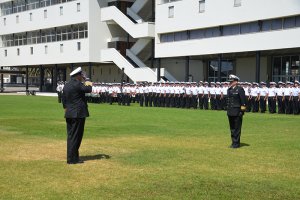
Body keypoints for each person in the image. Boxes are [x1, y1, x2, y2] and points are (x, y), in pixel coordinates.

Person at [62, 67, 93, 164]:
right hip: (78, 114)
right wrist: (87, 79)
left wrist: (67, 110)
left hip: (69, 113)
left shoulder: (66, 85)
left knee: (71, 136)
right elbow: (89, 89)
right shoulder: (77, 84)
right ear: (78, 75)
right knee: (77, 136)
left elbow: (64, 100)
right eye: (81, 75)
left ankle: (72, 157)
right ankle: (72, 159)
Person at [226, 74, 246, 148]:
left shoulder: (240, 89)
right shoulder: (229, 90)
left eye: (232, 81)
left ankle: (236, 143)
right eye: (230, 82)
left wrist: (242, 112)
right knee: (232, 128)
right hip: (230, 112)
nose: (230, 83)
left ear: (236, 82)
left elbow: (243, 101)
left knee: (237, 128)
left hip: (237, 112)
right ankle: (233, 142)